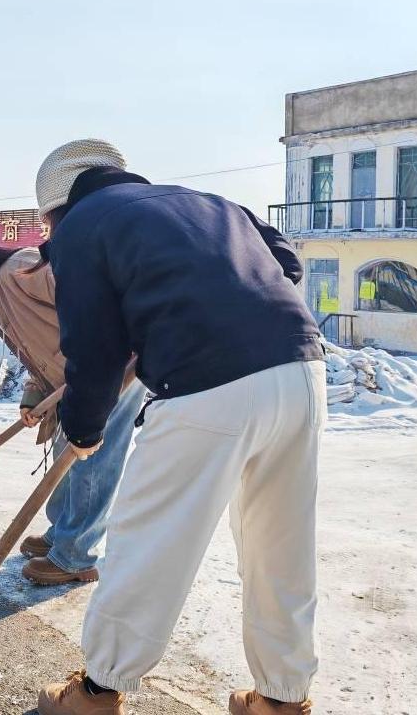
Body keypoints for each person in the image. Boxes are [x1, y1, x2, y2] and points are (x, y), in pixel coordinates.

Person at [32, 141, 326, 715]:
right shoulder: (207, 202)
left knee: (149, 542)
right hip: (300, 369)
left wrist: (84, 429)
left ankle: (96, 694)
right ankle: (281, 700)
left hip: (207, 385)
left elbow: (92, 346)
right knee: (281, 545)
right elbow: (284, 263)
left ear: (56, 210)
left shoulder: (84, 227)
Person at [0, 216, 147, 586]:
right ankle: (61, 535)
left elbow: (90, 296)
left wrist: (109, 351)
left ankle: (75, 556)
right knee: (65, 451)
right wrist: (34, 396)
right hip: (75, 380)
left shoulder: (22, 269)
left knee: (92, 459)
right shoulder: (0, 293)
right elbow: (38, 350)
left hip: (111, 371)